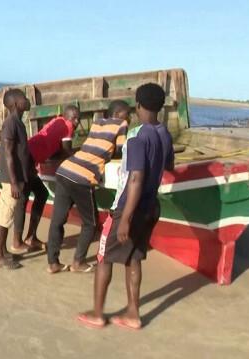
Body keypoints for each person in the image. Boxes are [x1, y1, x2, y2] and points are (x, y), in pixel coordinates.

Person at [75, 83, 173, 330]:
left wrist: (126, 216)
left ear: (138, 105)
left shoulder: (138, 136)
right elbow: (168, 165)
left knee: (103, 257)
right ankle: (132, 313)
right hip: (152, 207)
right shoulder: (164, 134)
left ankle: (98, 313)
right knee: (134, 258)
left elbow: (136, 177)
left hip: (128, 207)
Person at [46, 100, 130, 274]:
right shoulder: (122, 124)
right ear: (120, 114)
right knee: (90, 223)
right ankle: (79, 262)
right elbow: (122, 151)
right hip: (83, 177)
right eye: (127, 114)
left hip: (65, 170)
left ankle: (53, 263)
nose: (129, 117)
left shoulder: (97, 123)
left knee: (57, 221)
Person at [10, 105, 81, 253]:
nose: (76, 121)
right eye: (74, 118)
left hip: (28, 154)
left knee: (41, 193)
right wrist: (79, 155)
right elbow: (67, 150)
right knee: (23, 200)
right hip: (27, 160)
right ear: (67, 117)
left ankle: (31, 237)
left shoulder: (58, 120)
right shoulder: (68, 127)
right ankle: (17, 242)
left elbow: (55, 146)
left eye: (78, 118)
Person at [0, 89, 32, 269]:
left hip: (16, 177)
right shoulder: (10, 124)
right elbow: (8, 154)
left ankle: (4, 251)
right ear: (16, 104)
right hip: (10, 179)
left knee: (8, 215)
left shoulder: (18, 122)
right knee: (4, 216)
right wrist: (14, 182)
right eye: (24, 99)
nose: (27, 101)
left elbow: (19, 151)